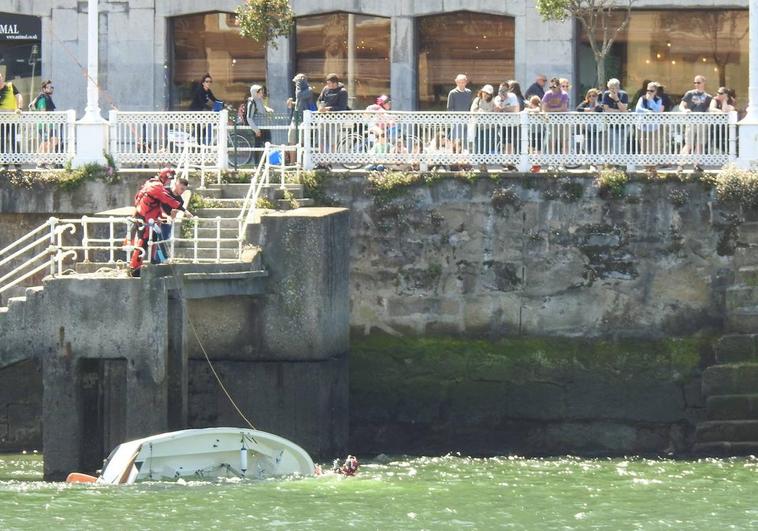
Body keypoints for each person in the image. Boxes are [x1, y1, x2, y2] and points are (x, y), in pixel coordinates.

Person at [129, 167, 188, 276]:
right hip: (145, 218)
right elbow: (167, 199)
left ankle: (150, 261)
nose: (169, 181)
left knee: (153, 239)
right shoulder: (157, 187)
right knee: (143, 241)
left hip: (148, 218)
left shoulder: (151, 183)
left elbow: (157, 205)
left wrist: (162, 217)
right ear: (164, 177)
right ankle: (134, 267)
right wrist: (184, 210)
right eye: (168, 179)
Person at [679, 75, 712, 170]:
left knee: (699, 144)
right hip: (691, 121)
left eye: (698, 82)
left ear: (703, 83)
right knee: (688, 143)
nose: (696, 84)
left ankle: (696, 164)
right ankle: (681, 164)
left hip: (702, 122)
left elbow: (709, 109)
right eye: (695, 82)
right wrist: (685, 111)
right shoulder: (690, 93)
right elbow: (682, 106)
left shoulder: (708, 97)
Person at [635, 81, 664, 171]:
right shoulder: (642, 98)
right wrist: (648, 111)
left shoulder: (658, 99)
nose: (649, 92)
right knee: (643, 147)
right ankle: (646, 167)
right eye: (647, 90)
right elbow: (638, 109)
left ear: (655, 91)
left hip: (653, 127)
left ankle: (653, 167)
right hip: (642, 126)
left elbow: (658, 110)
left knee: (652, 147)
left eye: (651, 91)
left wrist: (651, 100)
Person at [287, 73, 315, 163]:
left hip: (304, 120)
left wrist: (298, 84)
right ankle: (292, 162)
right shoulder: (299, 90)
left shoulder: (309, 90)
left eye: (297, 82)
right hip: (296, 118)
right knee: (292, 141)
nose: (295, 84)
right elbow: (299, 101)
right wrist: (292, 104)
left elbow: (299, 95)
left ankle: (301, 162)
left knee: (302, 142)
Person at [30, 80, 59, 159]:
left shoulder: (47, 98)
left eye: (51, 87)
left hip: (50, 125)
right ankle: (40, 161)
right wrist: (46, 126)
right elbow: (43, 113)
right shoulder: (43, 99)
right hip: (44, 125)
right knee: (45, 143)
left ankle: (43, 159)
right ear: (44, 89)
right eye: (48, 87)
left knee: (54, 141)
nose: (50, 89)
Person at [0, 71, 23, 170]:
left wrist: (19, 108)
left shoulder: (10, 86)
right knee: (3, 142)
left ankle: (17, 165)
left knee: (14, 141)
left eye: (0, 78)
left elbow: (19, 97)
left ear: (2, 78)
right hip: (1, 122)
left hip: (13, 120)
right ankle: (5, 165)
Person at [541, 78, 569, 159]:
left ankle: (563, 162)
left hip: (563, 120)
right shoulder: (548, 94)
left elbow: (564, 108)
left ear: (559, 86)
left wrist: (551, 110)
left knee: (564, 141)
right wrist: (556, 110)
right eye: (551, 87)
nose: (552, 89)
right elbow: (544, 108)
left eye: (554, 87)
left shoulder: (564, 94)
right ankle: (552, 160)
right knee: (551, 141)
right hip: (551, 120)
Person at [247, 84, 274, 164]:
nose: (261, 94)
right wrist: (256, 130)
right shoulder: (252, 103)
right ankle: (257, 164)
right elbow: (249, 117)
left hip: (265, 127)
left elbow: (262, 108)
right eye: (260, 92)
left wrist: (268, 109)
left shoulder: (259, 101)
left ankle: (267, 163)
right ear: (255, 93)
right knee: (258, 147)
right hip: (258, 129)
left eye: (262, 92)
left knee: (268, 145)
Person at [601, 78, 629, 156]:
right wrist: (620, 111)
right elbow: (606, 109)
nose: (612, 90)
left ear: (618, 87)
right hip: (611, 124)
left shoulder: (624, 94)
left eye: (614, 88)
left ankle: (621, 163)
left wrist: (616, 99)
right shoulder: (606, 94)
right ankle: (615, 163)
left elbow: (624, 109)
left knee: (622, 143)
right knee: (614, 142)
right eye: (610, 88)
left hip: (623, 124)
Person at [576, 88, 603, 160]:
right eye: (589, 96)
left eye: (594, 95)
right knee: (588, 144)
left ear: (597, 96)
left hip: (597, 128)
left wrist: (594, 104)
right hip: (587, 128)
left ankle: (595, 161)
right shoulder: (585, 103)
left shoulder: (599, 103)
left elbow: (599, 109)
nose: (591, 97)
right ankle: (590, 161)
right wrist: (588, 109)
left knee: (596, 144)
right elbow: (578, 108)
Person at [470, 84, 496, 159]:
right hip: (478, 126)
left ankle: (485, 160)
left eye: (488, 93)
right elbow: (473, 111)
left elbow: (494, 112)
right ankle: (479, 160)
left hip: (489, 127)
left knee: (488, 144)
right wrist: (484, 112)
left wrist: (482, 112)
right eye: (485, 92)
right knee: (478, 143)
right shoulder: (477, 100)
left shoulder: (493, 101)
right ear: (482, 91)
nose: (486, 94)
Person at [447, 74, 473, 146]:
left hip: (467, 120)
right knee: (456, 139)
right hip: (457, 120)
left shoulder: (469, 92)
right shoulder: (452, 93)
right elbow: (449, 108)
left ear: (466, 82)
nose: (461, 84)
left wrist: (470, 117)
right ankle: (454, 155)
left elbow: (470, 106)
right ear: (456, 82)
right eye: (459, 82)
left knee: (465, 140)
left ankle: (464, 155)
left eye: (463, 82)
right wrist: (454, 119)